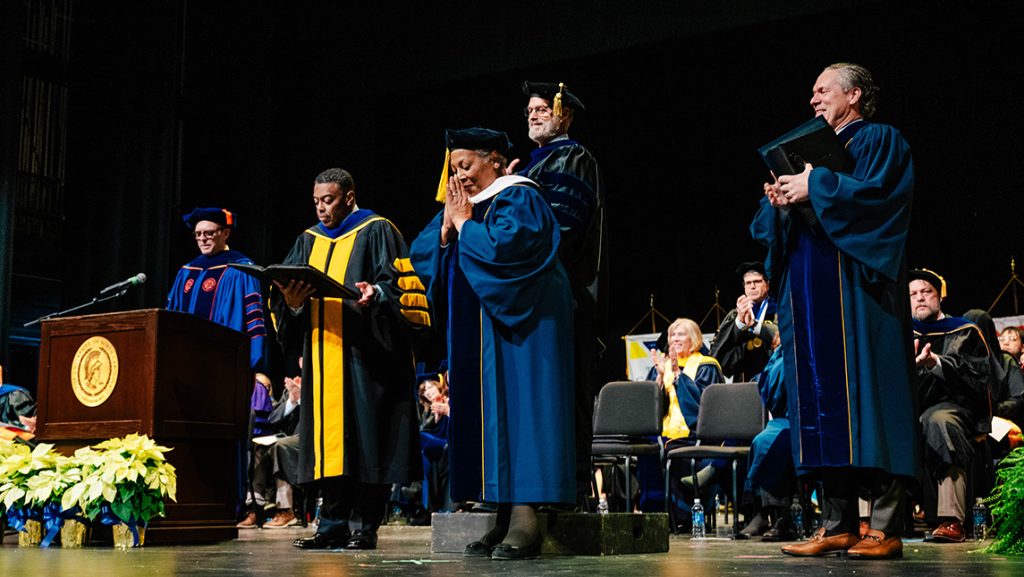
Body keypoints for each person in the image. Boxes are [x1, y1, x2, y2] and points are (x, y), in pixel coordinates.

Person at [751, 63, 917, 560]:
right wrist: (781, 201)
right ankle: (837, 523)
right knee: (822, 410)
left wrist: (815, 187)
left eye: (822, 90)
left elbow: (880, 200)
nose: (813, 100)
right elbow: (772, 229)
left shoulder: (879, 140)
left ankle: (884, 527)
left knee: (873, 402)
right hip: (812, 300)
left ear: (856, 94)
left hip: (858, 299)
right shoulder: (807, 153)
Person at [410, 127, 575, 560]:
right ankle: (501, 511)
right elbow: (424, 254)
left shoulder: (519, 196)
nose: (459, 177)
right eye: (453, 169)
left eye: (466, 165)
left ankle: (526, 514)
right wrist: (447, 230)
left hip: (524, 330)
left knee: (523, 413)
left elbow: (510, 251)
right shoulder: (467, 207)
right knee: (489, 420)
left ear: (496, 161)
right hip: (481, 338)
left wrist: (465, 225)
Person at [274, 168, 431, 550]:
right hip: (322, 357)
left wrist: (376, 293)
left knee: (367, 441)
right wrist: (292, 305)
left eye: (328, 200)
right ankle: (331, 525)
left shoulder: (378, 230)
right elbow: (284, 298)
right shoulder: (307, 240)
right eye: (316, 202)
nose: (321, 209)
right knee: (328, 444)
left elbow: (404, 288)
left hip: (367, 357)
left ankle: (367, 525)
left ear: (348, 196)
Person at [517, 82, 606, 505]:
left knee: (565, 397)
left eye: (542, 108)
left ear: (564, 115)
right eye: (530, 110)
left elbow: (564, 229)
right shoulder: (528, 167)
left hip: (563, 296)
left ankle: (569, 491)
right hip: (536, 298)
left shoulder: (572, 157)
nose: (534, 114)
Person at [909, 270, 991, 543]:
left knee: (940, 421)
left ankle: (951, 519)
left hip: (953, 408)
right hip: (907, 410)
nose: (919, 297)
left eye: (926, 292)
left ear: (939, 297)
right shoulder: (899, 333)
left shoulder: (964, 330)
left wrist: (937, 364)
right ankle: (868, 523)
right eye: (912, 294)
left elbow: (979, 378)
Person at [637, 318, 723, 522]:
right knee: (646, 447)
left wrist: (678, 377)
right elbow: (649, 408)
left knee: (670, 449)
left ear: (694, 339)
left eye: (681, 334)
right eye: (672, 335)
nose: (675, 339)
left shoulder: (706, 366)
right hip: (663, 433)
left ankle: (681, 519)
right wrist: (658, 380)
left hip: (693, 435)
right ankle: (654, 515)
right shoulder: (662, 366)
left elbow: (704, 406)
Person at [166, 207, 267, 372]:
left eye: (209, 233)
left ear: (225, 233)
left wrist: (255, 366)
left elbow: (253, 320)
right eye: (198, 234)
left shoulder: (241, 269)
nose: (202, 239)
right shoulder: (186, 272)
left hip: (224, 362)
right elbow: (171, 315)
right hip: (185, 361)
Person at [709, 261, 777, 381]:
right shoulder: (735, 314)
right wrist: (739, 323)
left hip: (773, 378)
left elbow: (784, 338)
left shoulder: (779, 309)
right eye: (748, 283)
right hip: (743, 383)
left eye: (757, 281)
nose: (752, 286)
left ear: (767, 284)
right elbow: (717, 350)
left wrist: (755, 326)